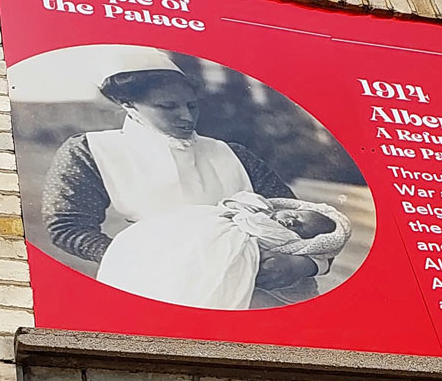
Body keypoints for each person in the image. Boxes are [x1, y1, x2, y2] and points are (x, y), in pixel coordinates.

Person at [41, 46, 325, 302]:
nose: (187, 117)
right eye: (168, 107)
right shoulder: (92, 150)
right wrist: (139, 260)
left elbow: (314, 221)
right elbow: (67, 226)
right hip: (165, 290)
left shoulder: (233, 154)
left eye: (192, 105)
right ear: (128, 103)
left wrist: (304, 264)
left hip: (260, 291)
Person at [94, 192, 351, 310]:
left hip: (242, 272)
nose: (293, 222)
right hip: (169, 244)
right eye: (295, 216)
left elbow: (325, 245)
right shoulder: (256, 207)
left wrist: (307, 263)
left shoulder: (240, 156)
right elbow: (72, 229)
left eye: (301, 228)